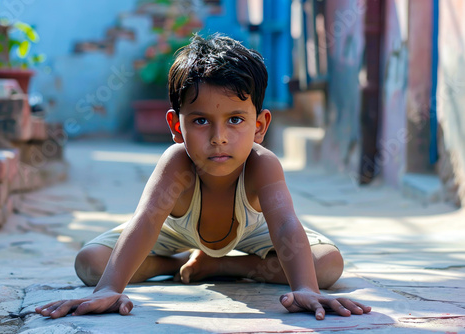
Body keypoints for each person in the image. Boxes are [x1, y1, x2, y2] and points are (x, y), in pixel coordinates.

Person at [36, 34, 371, 321]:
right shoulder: (177, 163)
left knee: (327, 264)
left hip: (253, 233)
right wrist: (109, 289)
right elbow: (148, 220)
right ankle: (175, 263)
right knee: (90, 263)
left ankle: (221, 266)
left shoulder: (262, 164)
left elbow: (284, 224)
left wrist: (305, 289)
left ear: (260, 125)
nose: (218, 137)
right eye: (200, 121)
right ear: (175, 126)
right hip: (174, 233)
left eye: (235, 120)